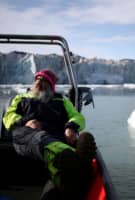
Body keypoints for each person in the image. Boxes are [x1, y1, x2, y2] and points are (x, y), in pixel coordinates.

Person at [3, 69, 96, 199]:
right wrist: (25, 122)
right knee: (30, 135)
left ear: (50, 85)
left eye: (44, 80)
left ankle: (66, 173)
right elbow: (8, 117)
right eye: (37, 79)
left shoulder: (61, 100)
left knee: (55, 144)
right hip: (27, 135)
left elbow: (77, 116)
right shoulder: (21, 98)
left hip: (55, 135)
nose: (39, 82)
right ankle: (75, 160)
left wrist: (71, 127)